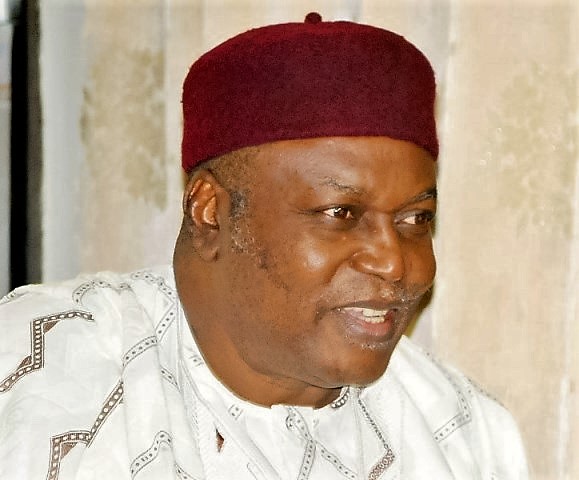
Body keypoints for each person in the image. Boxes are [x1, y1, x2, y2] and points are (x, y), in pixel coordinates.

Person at [0, 13, 528, 480]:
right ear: (210, 210)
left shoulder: (464, 433)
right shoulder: (47, 367)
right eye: (341, 214)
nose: (393, 262)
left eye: (416, 219)